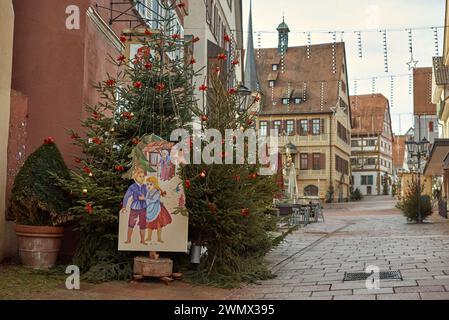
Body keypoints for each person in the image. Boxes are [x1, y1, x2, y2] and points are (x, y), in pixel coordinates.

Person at [121, 168, 148, 245]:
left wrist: (145, 198)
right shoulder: (132, 187)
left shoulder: (145, 186)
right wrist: (124, 206)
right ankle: (129, 239)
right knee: (131, 223)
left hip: (143, 207)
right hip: (135, 207)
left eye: (143, 176)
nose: (142, 178)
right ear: (135, 177)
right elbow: (126, 196)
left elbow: (149, 196)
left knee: (143, 224)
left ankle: (142, 240)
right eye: (140, 176)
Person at [145, 176, 172, 243]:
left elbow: (154, 199)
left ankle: (159, 238)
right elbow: (147, 199)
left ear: (155, 184)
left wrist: (145, 199)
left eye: (150, 184)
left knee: (158, 224)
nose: (149, 186)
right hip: (149, 209)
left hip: (157, 209)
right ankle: (148, 237)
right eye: (147, 184)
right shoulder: (148, 192)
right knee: (149, 224)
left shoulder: (158, 192)